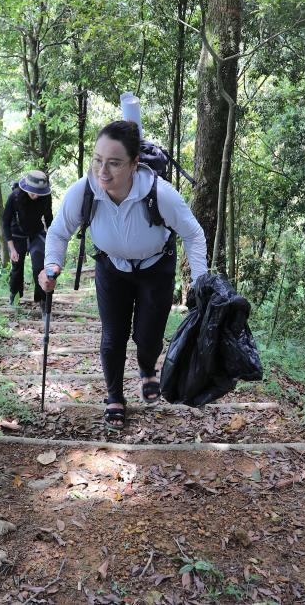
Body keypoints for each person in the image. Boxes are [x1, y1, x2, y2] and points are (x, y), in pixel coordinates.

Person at [40, 121, 207, 429]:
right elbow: (59, 232)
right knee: (113, 336)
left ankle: (147, 369)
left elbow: (194, 234)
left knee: (148, 336)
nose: (102, 171)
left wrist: (200, 281)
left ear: (134, 164)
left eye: (114, 163)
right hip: (111, 268)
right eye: (98, 160)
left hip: (156, 268)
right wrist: (51, 264)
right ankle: (114, 397)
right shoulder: (84, 191)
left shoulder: (160, 194)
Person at [2, 170, 54, 307]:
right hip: (17, 234)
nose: (36, 195)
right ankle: (14, 295)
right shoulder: (14, 197)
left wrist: (53, 242)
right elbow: (5, 222)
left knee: (40, 266)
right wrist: (12, 249)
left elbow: (49, 219)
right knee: (17, 268)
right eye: (32, 193)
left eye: (39, 193)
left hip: (36, 233)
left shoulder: (46, 197)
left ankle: (43, 300)